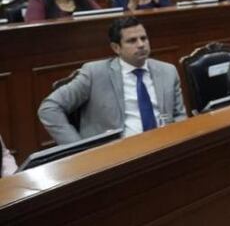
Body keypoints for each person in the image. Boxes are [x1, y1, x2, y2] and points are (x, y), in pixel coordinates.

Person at [38, 16, 186, 145]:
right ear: (116, 48)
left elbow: (179, 115)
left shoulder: (168, 71)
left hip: (164, 146)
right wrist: (77, 148)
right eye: (132, 41)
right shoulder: (94, 73)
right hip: (116, 154)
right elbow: (49, 108)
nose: (141, 44)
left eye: (144, 38)